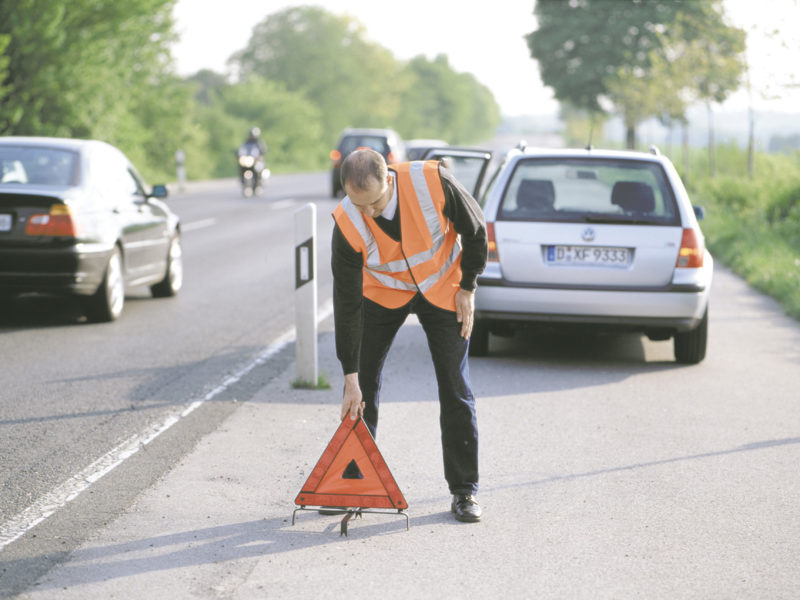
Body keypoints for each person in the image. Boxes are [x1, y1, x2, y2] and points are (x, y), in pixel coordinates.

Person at [331, 148, 487, 523]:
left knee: (454, 386)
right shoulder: (347, 220)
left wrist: (468, 286)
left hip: (442, 289)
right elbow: (347, 303)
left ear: (389, 179)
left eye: (374, 203)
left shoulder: (434, 181)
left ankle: (464, 491)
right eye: (358, 205)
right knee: (362, 387)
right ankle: (352, 485)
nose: (367, 213)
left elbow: (476, 230)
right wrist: (349, 375)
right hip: (383, 296)